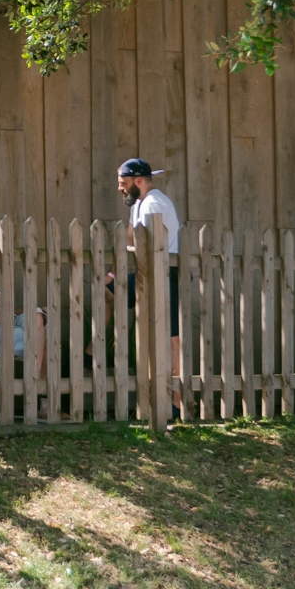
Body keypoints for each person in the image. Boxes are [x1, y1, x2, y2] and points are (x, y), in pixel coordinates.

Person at [118, 158, 183, 412]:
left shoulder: (153, 204)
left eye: (123, 183)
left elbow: (149, 244)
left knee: (170, 340)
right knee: (110, 294)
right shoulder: (139, 204)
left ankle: (175, 404)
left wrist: (132, 250)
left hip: (164, 273)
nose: (120, 188)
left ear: (138, 181)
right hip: (149, 273)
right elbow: (131, 237)